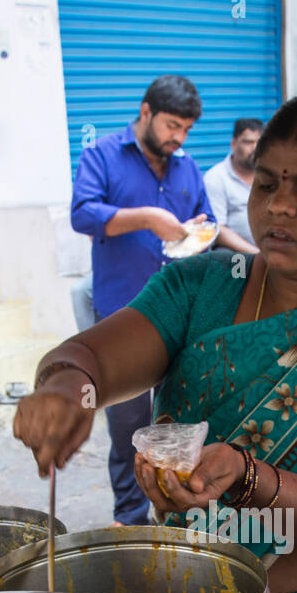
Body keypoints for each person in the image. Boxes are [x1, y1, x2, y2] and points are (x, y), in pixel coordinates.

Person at [15, 88, 297, 593]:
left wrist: (248, 478)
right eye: (265, 184)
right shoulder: (203, 288)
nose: (278, 206)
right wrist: (68, 389)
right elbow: (92, 357)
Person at [70, 74, 215, 526]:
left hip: (182, 318)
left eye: (187, 130)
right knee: (129, 427)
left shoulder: (186, 166)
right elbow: (82, 213)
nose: (179, 138)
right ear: (146, 112)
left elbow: (204, 220)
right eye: (173, 126)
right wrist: (147, 218)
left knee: (178, 422)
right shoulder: (103, 155)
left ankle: (177, 516)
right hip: (122, 314)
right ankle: (131, 521)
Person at [204, 118, 263, 254]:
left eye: (259, 143)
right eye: (248, 142)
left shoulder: (270, 174)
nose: (255, 148)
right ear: (233, 144)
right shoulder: (216, 177)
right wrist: (257, 254)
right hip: (236, 252)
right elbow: (217, 229)